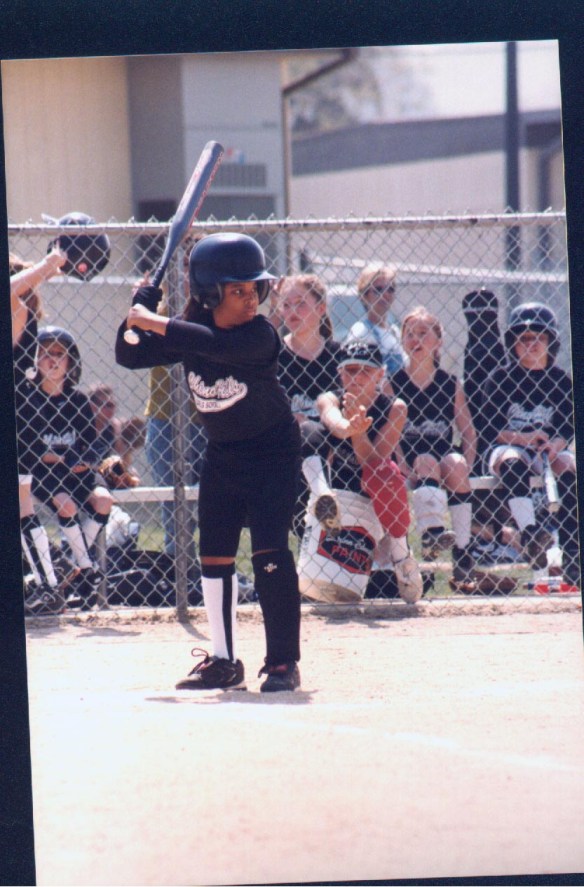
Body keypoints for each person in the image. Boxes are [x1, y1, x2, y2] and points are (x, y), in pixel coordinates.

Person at [116, 232, 303, 692]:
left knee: (269, 554)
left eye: (253, 289)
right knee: (213, 556)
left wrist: (153, 321)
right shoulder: (189, 333)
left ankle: (282, 663)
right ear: (208, 293)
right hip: (224, 456)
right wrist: (139, 307)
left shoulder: (259, 335)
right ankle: (223, 661)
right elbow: (128, 353)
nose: (249, 300)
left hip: (273, 453)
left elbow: (215, 345)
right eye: (236, 291)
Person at [313, 341, 423, 604]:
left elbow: (374, 460)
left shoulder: (395, 407)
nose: (357, 377)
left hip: (373, 491)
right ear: (340, 373)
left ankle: (401, 556)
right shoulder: (330, 398)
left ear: (379, 374)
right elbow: (333, 422)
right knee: (308, 433)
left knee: (384, 472)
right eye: (350, 370)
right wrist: (348, 424)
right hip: (336, 492)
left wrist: (359, 431)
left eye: (366, 370)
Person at [482, 302, 579, 585]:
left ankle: (572, 552)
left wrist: (556, 444)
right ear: (512, 343)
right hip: (509, 448)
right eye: (524, 338)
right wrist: (523, 438)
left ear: (551, 341)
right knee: (513, 460)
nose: (532, 343)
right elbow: (490, 429)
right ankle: (531, 533)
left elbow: (567, 426)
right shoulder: (501, 378)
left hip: (546, 452)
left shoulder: (561, 381)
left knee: (569, 465)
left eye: (539, 337)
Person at [18, 326, 114, 608]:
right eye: (45, 354)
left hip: (73, 471)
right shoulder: (28, 398)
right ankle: (86, 568)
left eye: (59, 354)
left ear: (71, 361)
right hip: (44, 474)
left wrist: (87, 461)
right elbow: (32, 451)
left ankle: (74, 562)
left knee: (104, 500)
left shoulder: (78, 400)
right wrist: (62, 458)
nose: (52, 360)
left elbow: (88, 443)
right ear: (34, 361)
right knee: (67, 506)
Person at [389, 306, 478, 591]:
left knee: (456, 464)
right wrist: (400, 461)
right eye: (410, 335)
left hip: (441, 452)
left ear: (438, 341)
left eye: (423, 334)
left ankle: (463, 553)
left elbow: (468, 432)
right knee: (426, 461)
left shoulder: (450, 383)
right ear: (402, 341)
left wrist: (469, 463)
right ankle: (432, 535)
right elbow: (389, 433)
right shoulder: (394, 384)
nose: (416, 340)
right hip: (413, 457)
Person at [11, 246, 68, 613]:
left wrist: (45, 267)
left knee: (21, 505)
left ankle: (48, 587)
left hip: (19, 418)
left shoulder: (17, 307)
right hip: (23, 414)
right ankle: (45, 584)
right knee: (20, 506)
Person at [275, 274, 342, 536]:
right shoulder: (275, 355)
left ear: (321, 307)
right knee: (304, 429)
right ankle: (321, 500)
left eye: (300, 303)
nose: (292, 311)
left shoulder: (338, 355)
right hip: (287, 453)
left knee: (314, 430)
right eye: (286, 304)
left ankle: (323, 503)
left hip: (334, 450)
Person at [345, 263, 406, 376]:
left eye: (390, 289)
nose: (385, 295)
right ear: (364, 296)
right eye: (378, 290)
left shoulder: (395, 332)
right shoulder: (360, 331)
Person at [87, 383, 123, 462]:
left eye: (113, 405)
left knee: (132, 472)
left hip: (101, 470)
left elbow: (123, 455)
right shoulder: (82, 424)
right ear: (92, 406)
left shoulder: (113, 426)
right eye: (107, 405)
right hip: (79, 470)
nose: (111, 409)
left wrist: (118, 432)